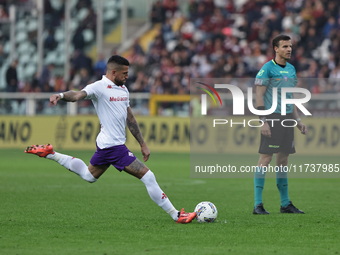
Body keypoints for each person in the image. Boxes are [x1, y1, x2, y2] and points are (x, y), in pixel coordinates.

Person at [25, 55, 196, 224]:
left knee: (89, 176)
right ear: (114, 72)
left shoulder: (123, 89)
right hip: (113, 146)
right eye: (125, 73)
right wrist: (61, 95)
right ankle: (176, 215)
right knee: (148, 176)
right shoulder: (99, 87)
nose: (127, 77)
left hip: (107, 145)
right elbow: (77, 95)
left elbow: (130, 117)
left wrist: (142, 143)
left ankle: (51, 153)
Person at [253, 35, 308, 215]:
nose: (289, 49)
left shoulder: (291, 70)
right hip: (272, 117)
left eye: (290, 46)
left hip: (288, 119)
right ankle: (258, 204)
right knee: (266, 158)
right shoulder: (267, 69)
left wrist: (298, 121)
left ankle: (285, 204)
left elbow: (290, 98)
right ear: (276, 49)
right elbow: (258, 96)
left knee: (283, 160)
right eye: (285, 46)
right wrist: (263, 121)